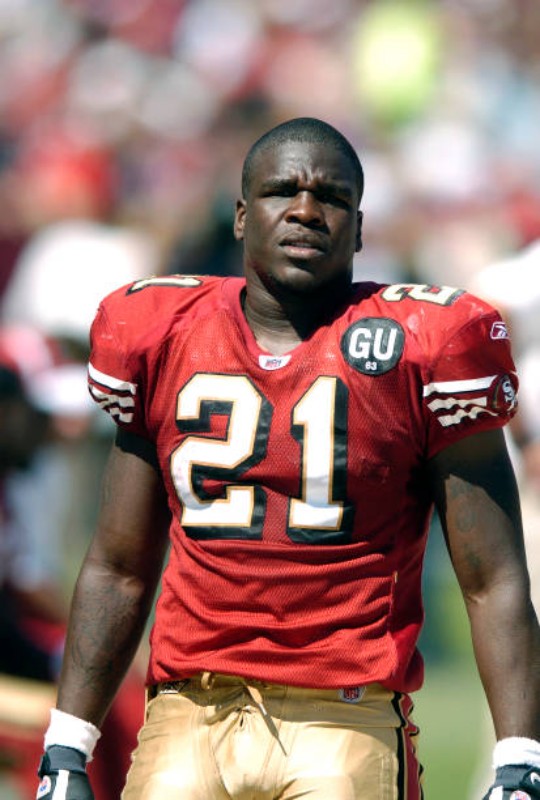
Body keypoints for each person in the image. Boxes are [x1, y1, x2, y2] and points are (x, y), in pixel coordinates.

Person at [36, 117, 540, 800]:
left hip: (345, 715)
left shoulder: (425, 344)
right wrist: (68, 745)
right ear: (242, 215)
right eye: (283, 191)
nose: (306, 210)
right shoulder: (164, 334)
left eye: (331, 197)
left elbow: (494, 577)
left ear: (359, 229)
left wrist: (520, 756)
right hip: (189, 710)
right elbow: (120, 565)